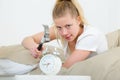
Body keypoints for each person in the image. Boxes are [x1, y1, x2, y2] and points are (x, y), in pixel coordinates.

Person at [22, 0, 108, 68]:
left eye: (68, 26)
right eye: (59, 27)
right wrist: (33, 47)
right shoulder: (58, 31)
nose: (64, 33)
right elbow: (27, 39)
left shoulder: (91, 36)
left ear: (78, 20)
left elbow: (66, 67)